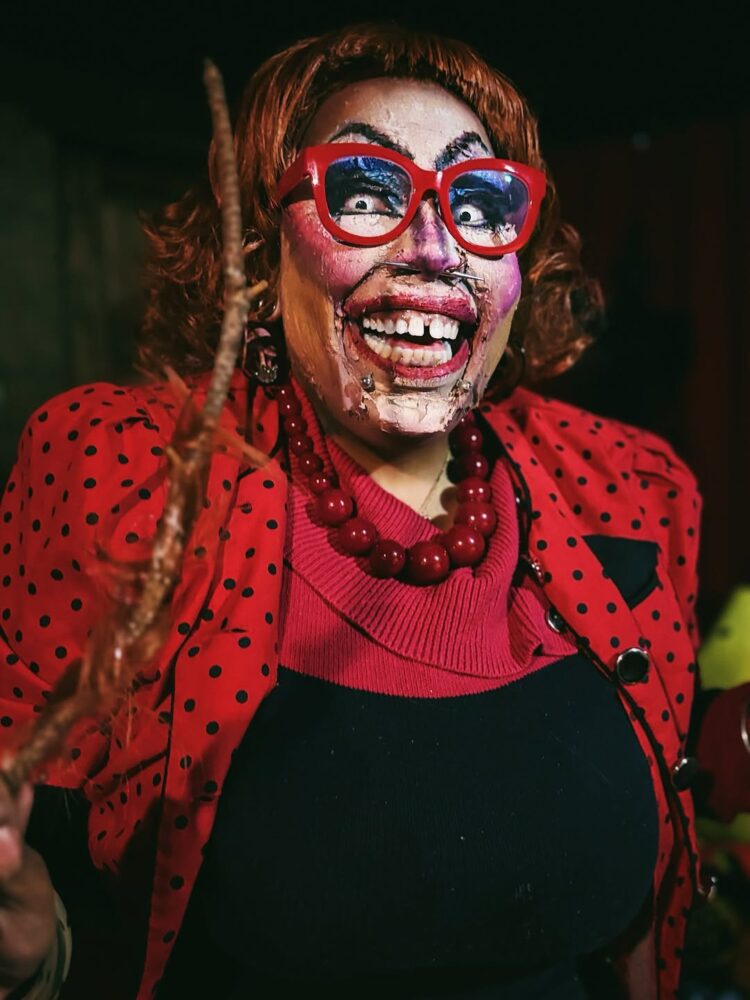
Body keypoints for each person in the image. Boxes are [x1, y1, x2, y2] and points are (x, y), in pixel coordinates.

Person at [1, 22, 749, 1000]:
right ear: (261, 256)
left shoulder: (627, 485)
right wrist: (37, 952)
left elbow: (658, 807)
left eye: (480, 205)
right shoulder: (124, 475)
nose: (434, 249)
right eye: (363, 193)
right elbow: (56, 882)